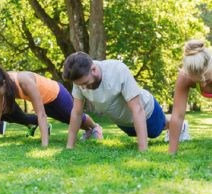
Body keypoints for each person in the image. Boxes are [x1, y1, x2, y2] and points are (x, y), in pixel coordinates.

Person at [62, 51, 190, 151]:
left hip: (146, 112)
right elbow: (77, 113)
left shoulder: (117, 70)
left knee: (158, 129)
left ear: (94, 69)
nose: (83, 88)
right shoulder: (80, 79)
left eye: (85, 83)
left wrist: (142, 149)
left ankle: (180, 125)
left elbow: (137, 109)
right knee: (138, 132)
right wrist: (70, 146)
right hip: (124, 122)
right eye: (80, 85)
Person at [0, 65, 102, 147]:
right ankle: (88, 130)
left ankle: (96, 127)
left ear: (3, 83)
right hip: (45, 101)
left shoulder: (23, 81)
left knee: (73, 116)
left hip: (56, 94)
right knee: (67, 120)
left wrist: (44, 145)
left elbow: (41, 114)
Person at [169, 40, 212, 154]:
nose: (203, 85)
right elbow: (177, 115)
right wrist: (171, 153)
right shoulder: (184, 77)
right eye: (198, 80)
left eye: (206, 79)